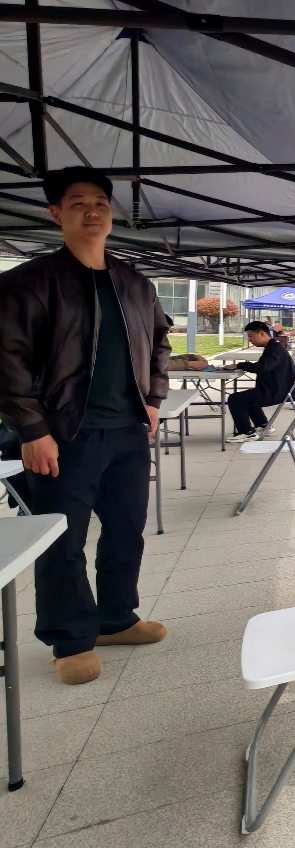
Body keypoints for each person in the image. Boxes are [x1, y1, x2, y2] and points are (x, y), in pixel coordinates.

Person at [0, 166, 171, 684]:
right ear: (56, 213)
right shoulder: (28, 282)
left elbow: (160, 343)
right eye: (78, 203)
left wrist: (154, 399)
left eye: (100, 202)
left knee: (126, 530)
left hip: (127, 432)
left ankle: (116, 619)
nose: (92, 211)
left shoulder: (135, 283)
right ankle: (70, 638)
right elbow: (7, 360)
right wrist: (32, 430)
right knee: (62, 539)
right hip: (62, 433)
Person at [228, 321, 295, 440]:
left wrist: (239, 365)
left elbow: (261, 367)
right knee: (249, 397)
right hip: (278, 389)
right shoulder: (274, 346)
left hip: (278, 392)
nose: (250, 340)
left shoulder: (274, 348)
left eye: (251, 336)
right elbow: (264, 366)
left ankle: (247, 432)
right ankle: (263, 425)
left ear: (262, 334)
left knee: (235, 399)